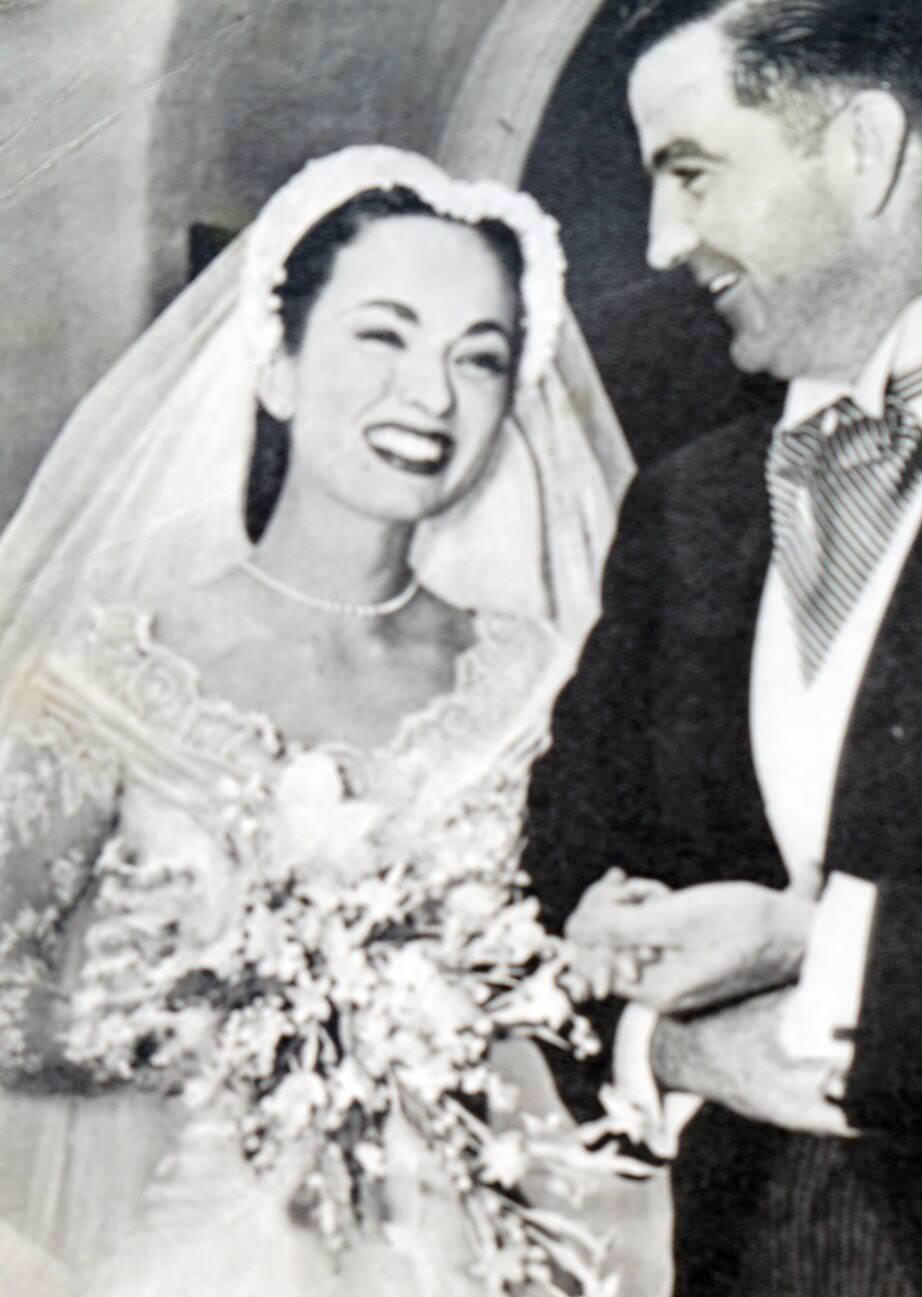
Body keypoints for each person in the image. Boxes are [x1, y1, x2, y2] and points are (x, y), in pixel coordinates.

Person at [0, 145, 657, 1296]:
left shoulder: (545, 682)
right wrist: (109, 1016)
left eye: (480, 357)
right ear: (281, 364)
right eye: (383, 336)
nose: (431, 396)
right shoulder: (105, 676)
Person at [524, 2, 922, 1295]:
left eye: (690, 171)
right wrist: (668, 1053)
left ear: (863, 145)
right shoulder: (687, 507)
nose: (662, 245)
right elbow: (553, 875)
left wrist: (817, 952)